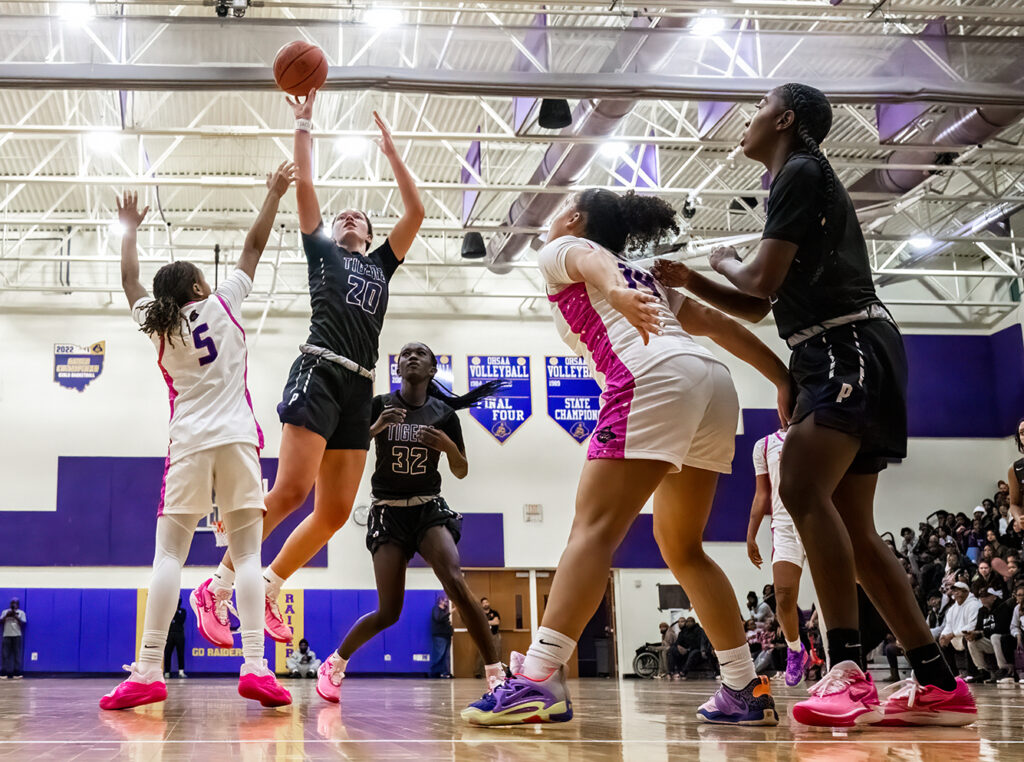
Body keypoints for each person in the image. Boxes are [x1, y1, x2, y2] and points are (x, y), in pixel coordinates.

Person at [651, 83, 975, 727]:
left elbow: (759, 281)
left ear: (787, 120)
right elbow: (758, 306)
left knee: (797, 484)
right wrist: (698, 282)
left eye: (760, 110)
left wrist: (721, 259)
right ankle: (940, 684)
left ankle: (848, 673)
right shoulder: (795, 181)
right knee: (853, 528)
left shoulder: (799, 170)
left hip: (845, 343)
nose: (748, 120)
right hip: (835, 347)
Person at [463, 187, 794, 727]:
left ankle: (538, 679)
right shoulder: (646, 277)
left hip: (652, 379)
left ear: (572, 219)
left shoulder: (565, 250)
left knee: (592, 531)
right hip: (712, 383)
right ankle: (743, 686)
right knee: (683, 548)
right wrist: (782, 378)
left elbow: (588, 258)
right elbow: (721, 327)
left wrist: (613, 292)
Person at [197, 90, 425, 644]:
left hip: (360, 386)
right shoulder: (323, 251)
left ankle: (272, 585)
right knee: (293, 490)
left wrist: (394, 155)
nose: (349, 217)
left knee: (335, 511)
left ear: (370, 235)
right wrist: (304, 120)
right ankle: (219, 587)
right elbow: (305, 181)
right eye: (342, 214)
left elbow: (416, 212)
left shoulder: (381, 266)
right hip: (319, 369)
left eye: (360, 217)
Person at [99, 169, 294, 711]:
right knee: (248, 555)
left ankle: (146, 670)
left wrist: (129, 230)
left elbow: (131, 284)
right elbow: (254, 245)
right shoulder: (224, 302)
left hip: (187, 441)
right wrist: (273, 193)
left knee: (169, 556)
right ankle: (256, 666)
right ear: (199, 288)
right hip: (236, 438)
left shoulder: (160, 327)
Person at [315, 343, 506, 703]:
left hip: (427, 509)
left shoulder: (443, 413)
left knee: (456, 582)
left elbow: (461, 471)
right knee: (389, 611)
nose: (412, 357)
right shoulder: (380, 404)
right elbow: (348, 448)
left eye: (421, 354)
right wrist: (374, 428)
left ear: (433, 369)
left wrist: (449, 447)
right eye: (406, 354)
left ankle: (496, 676)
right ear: (398, 367)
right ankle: (335, 664)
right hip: (387, 512)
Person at [746, 427, 809, 686]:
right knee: (783, 595)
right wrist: (751, 534)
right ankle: (796, 650)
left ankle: (839, 664)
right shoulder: (764, 444)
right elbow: (763, 493)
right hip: (783, 525)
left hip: (816, 520)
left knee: (831, 599)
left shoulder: (817, 432)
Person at [939, 582, 982, 680]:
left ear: (966, 592)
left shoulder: (974, 604)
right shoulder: (952, 608)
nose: (956, 593)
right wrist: (943, 636)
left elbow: (972, 626)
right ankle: (953, 674)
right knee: (942, 643)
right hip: (955, 636)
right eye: (954, 591)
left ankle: (973, 672)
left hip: (971, 634)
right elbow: (948, 625)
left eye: (959, 590)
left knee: (967, 639)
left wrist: (952, 634)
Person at [971, 588, 1015, 683]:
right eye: (981, 597)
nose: (983, 599)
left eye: (986, 596)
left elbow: (1002, 628)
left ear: (994, 597)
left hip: (1004, 640)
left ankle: (1004, 669)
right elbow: (978, 627)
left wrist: (982, 633)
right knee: (972, 641)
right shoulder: (981, 611)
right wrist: (974, 634)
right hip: (990, 641)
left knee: (994, 636)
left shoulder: (1003, 607)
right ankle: (982, 671)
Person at [475, 598, 502, 679]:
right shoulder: (479, 613)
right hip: (483, 637)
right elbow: (478, 623)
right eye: (483, 603)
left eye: (486, 602)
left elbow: (496, 622)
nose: (485, 604)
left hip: (494, 635)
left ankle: (497, 673)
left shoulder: (494, 613)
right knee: (481, 654)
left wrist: (485, 622)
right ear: (481, 605)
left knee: (497, 654)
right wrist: (490, 622)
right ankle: (478, 673)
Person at [0, 598, 26, 679]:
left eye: (15, 603)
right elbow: (1, 621)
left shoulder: (21, 613)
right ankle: (4, 672)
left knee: (17, 654)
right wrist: (7, 616)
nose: (14, 604)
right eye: (12, 602)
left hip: (17, 635)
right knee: (5, 654)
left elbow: (23, 623)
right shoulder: (5, 612)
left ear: (18, 604)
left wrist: (15, 616)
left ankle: (16, 672)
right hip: (6, 635)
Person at [430, 595, 453, 678]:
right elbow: (438, 619)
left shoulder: (444, 611)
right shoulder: (436, 609)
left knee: (446, 656)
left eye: (446, 600)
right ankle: (433, 672)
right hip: (439, 636)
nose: (446, 602)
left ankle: (446, 672)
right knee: (439, 654)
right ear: (440, 601)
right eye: (444, 600)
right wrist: (450, 612)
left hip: (447, 635)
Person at [164, 597, 187, 679]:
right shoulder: (168, 611)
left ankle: (181, 672)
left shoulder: (183, 611)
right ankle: (167, 672)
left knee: (180, 653)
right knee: (167, 653)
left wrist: (175, 611)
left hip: (179, 634)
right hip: (169, 634)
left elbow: (181, 620)